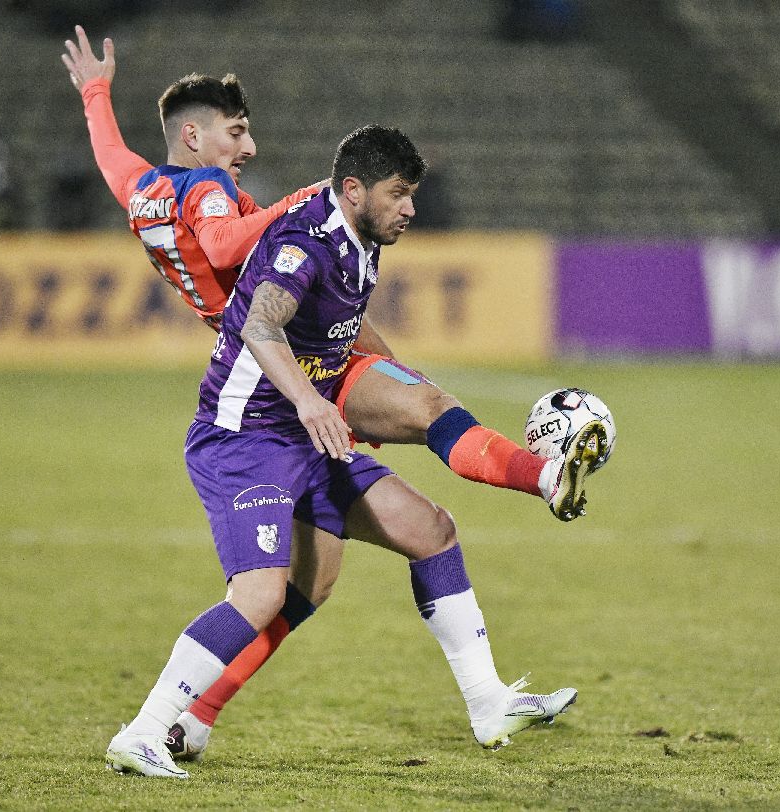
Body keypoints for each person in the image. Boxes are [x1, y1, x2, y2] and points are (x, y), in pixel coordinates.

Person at [62, 26, 606, 763]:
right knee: (267, 586)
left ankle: (487, 703)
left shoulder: (152, 192)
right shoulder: (232, 203)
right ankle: (142, 731)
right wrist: (302, 200)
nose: (247, 148)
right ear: (194, 136)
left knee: (388, 545)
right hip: (262, 402)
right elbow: (232, 260)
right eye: (236, 133)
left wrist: (96, 94)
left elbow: (116, 159)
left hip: (305, 371)